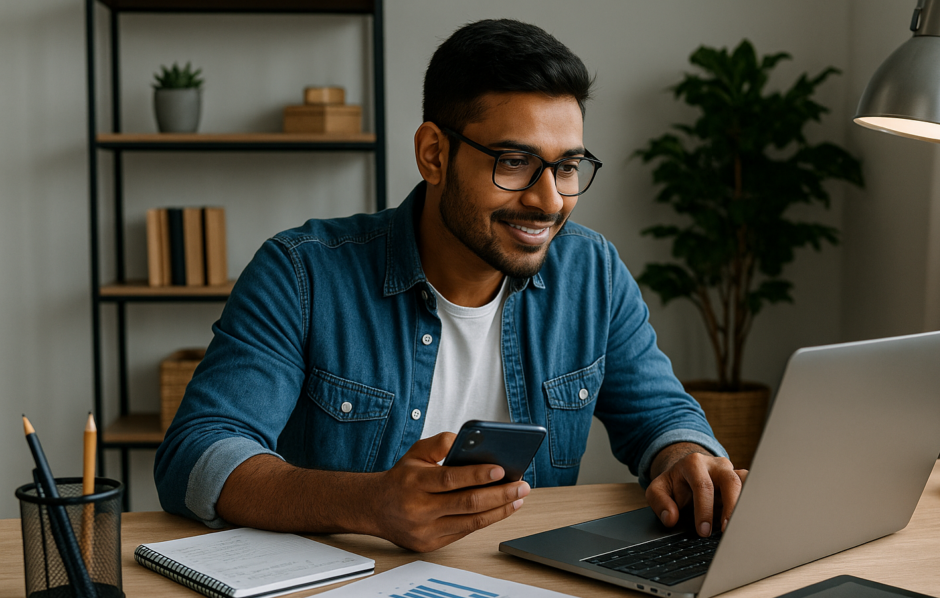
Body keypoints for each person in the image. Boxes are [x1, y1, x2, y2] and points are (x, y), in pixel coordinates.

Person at [154, 18, 746, 552]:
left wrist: (689, 460)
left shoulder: (592, 273)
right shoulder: (303, 272)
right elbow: (198, 453)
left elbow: (660, 416)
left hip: (530, 596)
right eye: (514, 163)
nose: (548, 201)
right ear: (434, 154)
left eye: (567, 167)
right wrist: (369, 505)